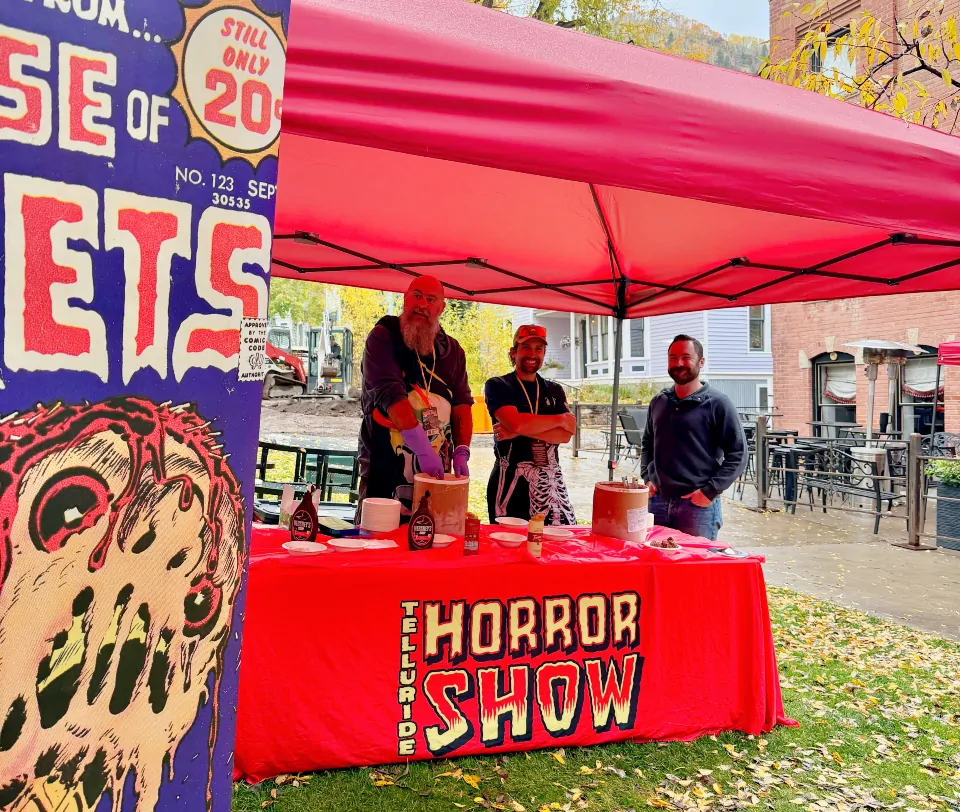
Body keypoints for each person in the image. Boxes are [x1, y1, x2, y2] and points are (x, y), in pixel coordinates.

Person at [357, 276, 473, 517]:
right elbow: (391, 397)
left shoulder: (453, 352)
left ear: (441, 308)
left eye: (431, 299)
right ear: (405, 299)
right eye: (417, 296)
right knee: (379, 539)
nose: (422, 304)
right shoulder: (383, 338)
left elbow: (462, 403)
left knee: (428, 533)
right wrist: (421, 448)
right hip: (385, 461)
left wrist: (462, 449)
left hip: (436, 471)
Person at [640, 334, 746, 541]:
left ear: (701, 362)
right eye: (673, 357)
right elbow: (647, 444)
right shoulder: (659, 402)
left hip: (697, 508)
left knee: (695, 569)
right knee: (656, 566)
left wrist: (710, 491)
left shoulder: (718, 403)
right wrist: (647, 478)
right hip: (656, 503)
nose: (678, 363)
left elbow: (738, 454)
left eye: (686, 357)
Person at [485, 325, 576, 525]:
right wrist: (559, 420)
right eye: (525, 347)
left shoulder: (554, 390)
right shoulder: (498, 385)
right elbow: (516, 423)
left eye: (538, 349)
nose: (532, 354)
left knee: (557, 548)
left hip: (551, 481)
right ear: (513, 352)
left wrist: (519, 430)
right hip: (510, 482)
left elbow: (566, 435)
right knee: (510, 549)